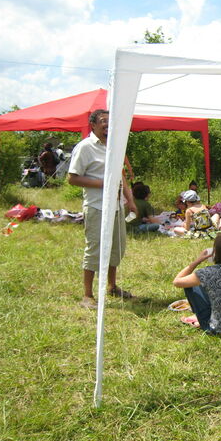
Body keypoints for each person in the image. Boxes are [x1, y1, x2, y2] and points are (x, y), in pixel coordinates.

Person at [68, 109, 138, 309]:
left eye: (110, 121)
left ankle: (112, 286)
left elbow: (121, 176)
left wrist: (130, 200)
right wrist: (104, 184)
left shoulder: (114, 146)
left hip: (116, 207)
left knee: (116, 247)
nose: (107, 124)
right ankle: (87, 295)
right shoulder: (85, 147)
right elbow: (72, 178)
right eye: (103, 121)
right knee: (95, 249)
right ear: (93, 125)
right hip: (96, 206)